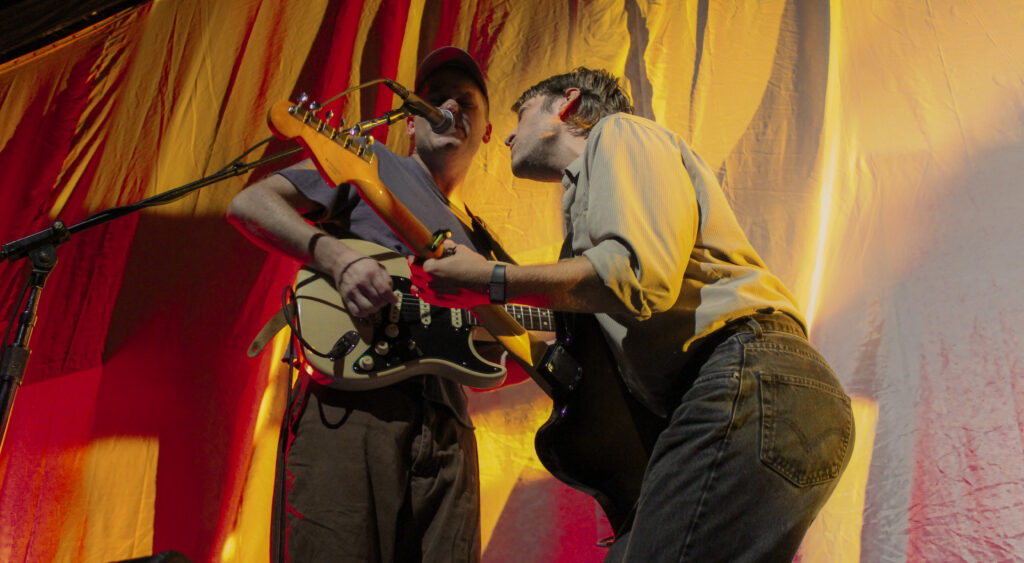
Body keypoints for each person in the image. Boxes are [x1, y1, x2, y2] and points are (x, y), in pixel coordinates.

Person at [409, 67, 855, 562]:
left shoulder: (620, 133)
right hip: (768, 398)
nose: (510, 133)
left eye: (523, 113)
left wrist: (491, 280)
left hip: (750, 381)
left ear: (567, 104)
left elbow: (638, 276)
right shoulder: (586, 218)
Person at [228, 47, 510, 563]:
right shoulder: (369, 164)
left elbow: (502, 353)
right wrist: (336, 258)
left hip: (447, 426)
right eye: (433, 98)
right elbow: (250, 204)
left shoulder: (479, 240)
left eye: (465, 100)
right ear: (409, 122)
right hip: (352, 403)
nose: (448, 106)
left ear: (487, 131)